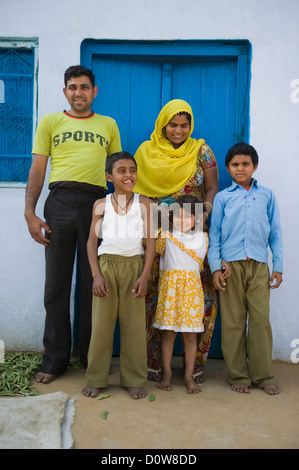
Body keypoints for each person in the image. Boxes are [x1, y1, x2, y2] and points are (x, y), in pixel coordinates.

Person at [24, 65, 122, 384]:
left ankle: (90, 356)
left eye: (84, 86)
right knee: (56, 286)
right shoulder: (50, 122)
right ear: (65, 91)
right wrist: (30, 212)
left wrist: (119, 211)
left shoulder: (108, 124)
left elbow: (117, 170)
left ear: (95, 91)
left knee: (94, 284)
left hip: (96, 205)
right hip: (60, 202)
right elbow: (38, 170)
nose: (78, 92)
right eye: (72, 87)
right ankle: (55, 360)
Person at [134, 99, 219, 383]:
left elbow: (211, 187)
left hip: (193, 231)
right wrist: (158, 218)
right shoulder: (146, 152)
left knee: (200, 299)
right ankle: (156, 364)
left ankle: (193, 366)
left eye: (184, 125)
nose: (179, 130)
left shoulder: (201, 150)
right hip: (159, 232)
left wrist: (202, 213)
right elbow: (140, 192)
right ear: (163, 124)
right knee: (155, 299)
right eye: (173, 124)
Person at [208, 142, 283, 395]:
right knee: (233, 322)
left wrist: (278, 266)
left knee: (260, 321)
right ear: (228, 168)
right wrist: (215, 267)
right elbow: (215, 234)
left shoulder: (267, 195)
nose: (240, 169)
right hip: (230, 267)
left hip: (259, 266)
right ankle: (238, 375)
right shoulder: (223, 198)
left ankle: (262, 375)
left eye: (245, 164)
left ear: (255, 166)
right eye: (235, 164)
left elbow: (276, 233)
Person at [82, 152, 156, 399]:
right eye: (121, 170)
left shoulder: (145, 204)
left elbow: (151, 244)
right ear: (109, 176)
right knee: (101, 326)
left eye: (132, 170)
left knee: (134, 327)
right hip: (106, 268)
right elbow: (92, 242)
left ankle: (134, 379)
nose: (128, 175)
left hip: (134, 267)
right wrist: (96, 275)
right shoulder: (100, 205)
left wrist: (145, 276)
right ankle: (96, 378)